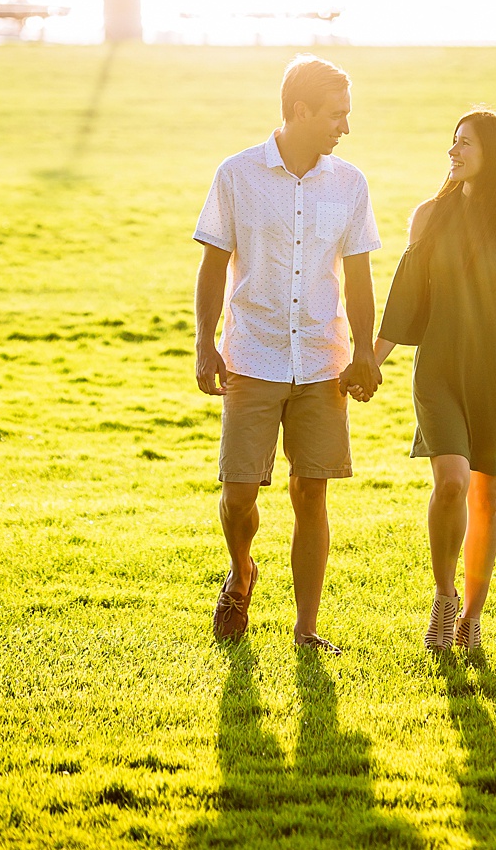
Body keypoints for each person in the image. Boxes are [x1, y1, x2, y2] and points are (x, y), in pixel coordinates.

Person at [193, 54, 382, 649]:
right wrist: (204, 340)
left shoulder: (350, 183)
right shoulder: (237, 174)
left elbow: (359, 276)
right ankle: (241, 571)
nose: (344, 128)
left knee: (312, 491)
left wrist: (365, 353)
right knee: (240, 492)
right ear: (299, 111)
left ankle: (305, 629)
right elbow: (213, 263)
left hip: (323, 360)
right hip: (251, 354)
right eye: (336, 115)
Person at [363, 109, 496, 652]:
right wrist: (374, 359)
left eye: (466, 144)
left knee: (488, 497)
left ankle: (472, 617)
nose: (453, 152)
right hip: (440, 371)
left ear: (494, 155)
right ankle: (444, 596)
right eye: (452, 142)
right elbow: (406, 297)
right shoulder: (429, 215)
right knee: (451, 482)